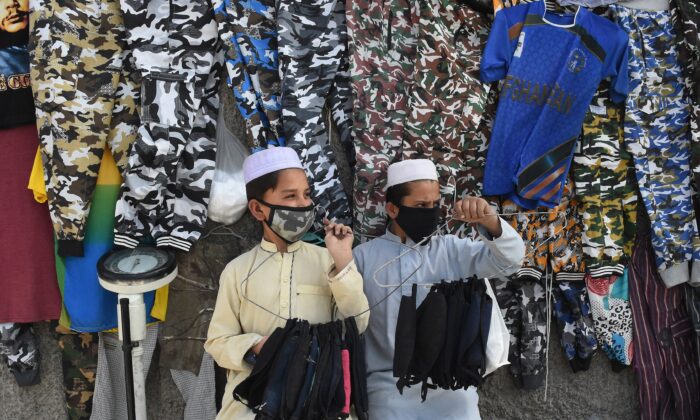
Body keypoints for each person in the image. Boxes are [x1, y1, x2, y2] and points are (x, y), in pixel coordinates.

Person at [204, 147, 370, 419]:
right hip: (251, 406)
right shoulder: (236, 271)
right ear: (258, 209)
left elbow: (358, 324)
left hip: (317, 403)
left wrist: (343, 262)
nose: (303, 205)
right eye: (290, 196)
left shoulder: (327, 260)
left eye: (306, 195)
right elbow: (218, 342)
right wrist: (257, 346)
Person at [353, 159, 525, 419]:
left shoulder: (452, 250)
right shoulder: (364, 259)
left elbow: (510, 261)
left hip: (452, 387)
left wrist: (491, 222)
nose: (431, 212)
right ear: (392, 208)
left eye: (435, 204)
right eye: (421, 206)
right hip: (387, 389)